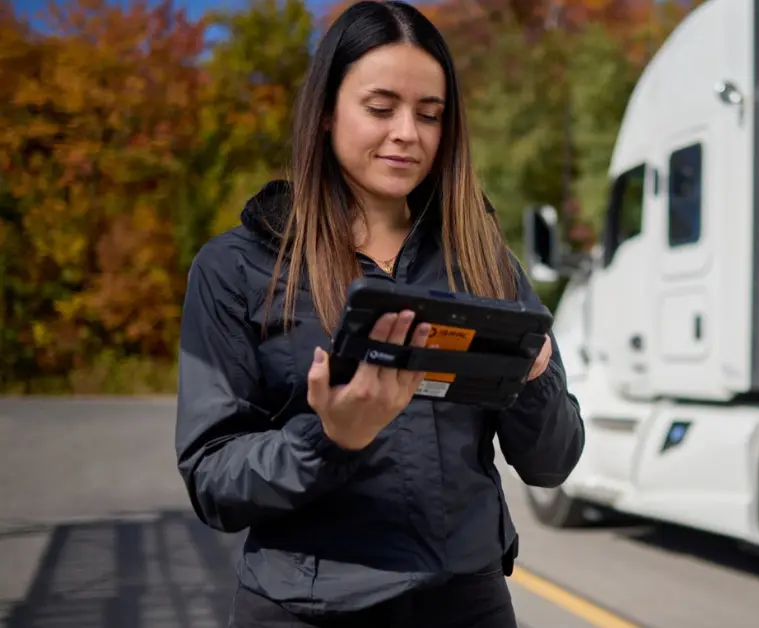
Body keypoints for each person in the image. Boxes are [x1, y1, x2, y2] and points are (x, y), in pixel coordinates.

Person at [172, 1, 585, 626]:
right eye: (380, 107)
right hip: (308, 609)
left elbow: (551, 464)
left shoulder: (480, 255)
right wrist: (329, 440)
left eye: (430, 114)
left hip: (467, 603)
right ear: (327, 110)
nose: (408, 133)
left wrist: (536, 382)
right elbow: (213, 480)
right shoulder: (238, 267)